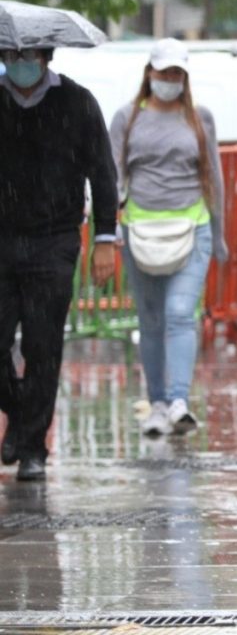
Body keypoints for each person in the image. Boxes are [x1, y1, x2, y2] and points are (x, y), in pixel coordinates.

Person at [0, 46, 118, 481]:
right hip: (2, 239)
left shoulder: (78, 102)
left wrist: (106, 236)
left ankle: (32, 447)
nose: (20, 61)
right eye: (10, 53)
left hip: (54, 240)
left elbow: (103, 173)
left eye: (28, 53)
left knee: (42, 345)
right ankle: (18, 408)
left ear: (46, 54)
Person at [110, 39, 228, 436]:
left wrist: (220, 233)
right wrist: (107, 236)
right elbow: (113, 178)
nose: (169, 80)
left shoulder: (200, 119)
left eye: (177, 73)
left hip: (192, 229)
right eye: (163, 72)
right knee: (151, 319)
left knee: (180, 314)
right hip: (140, 231)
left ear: (185, 77)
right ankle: (157, 401)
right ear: (149, 73)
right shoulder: (126, 119)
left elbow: (214, 178)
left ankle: (179, 399)